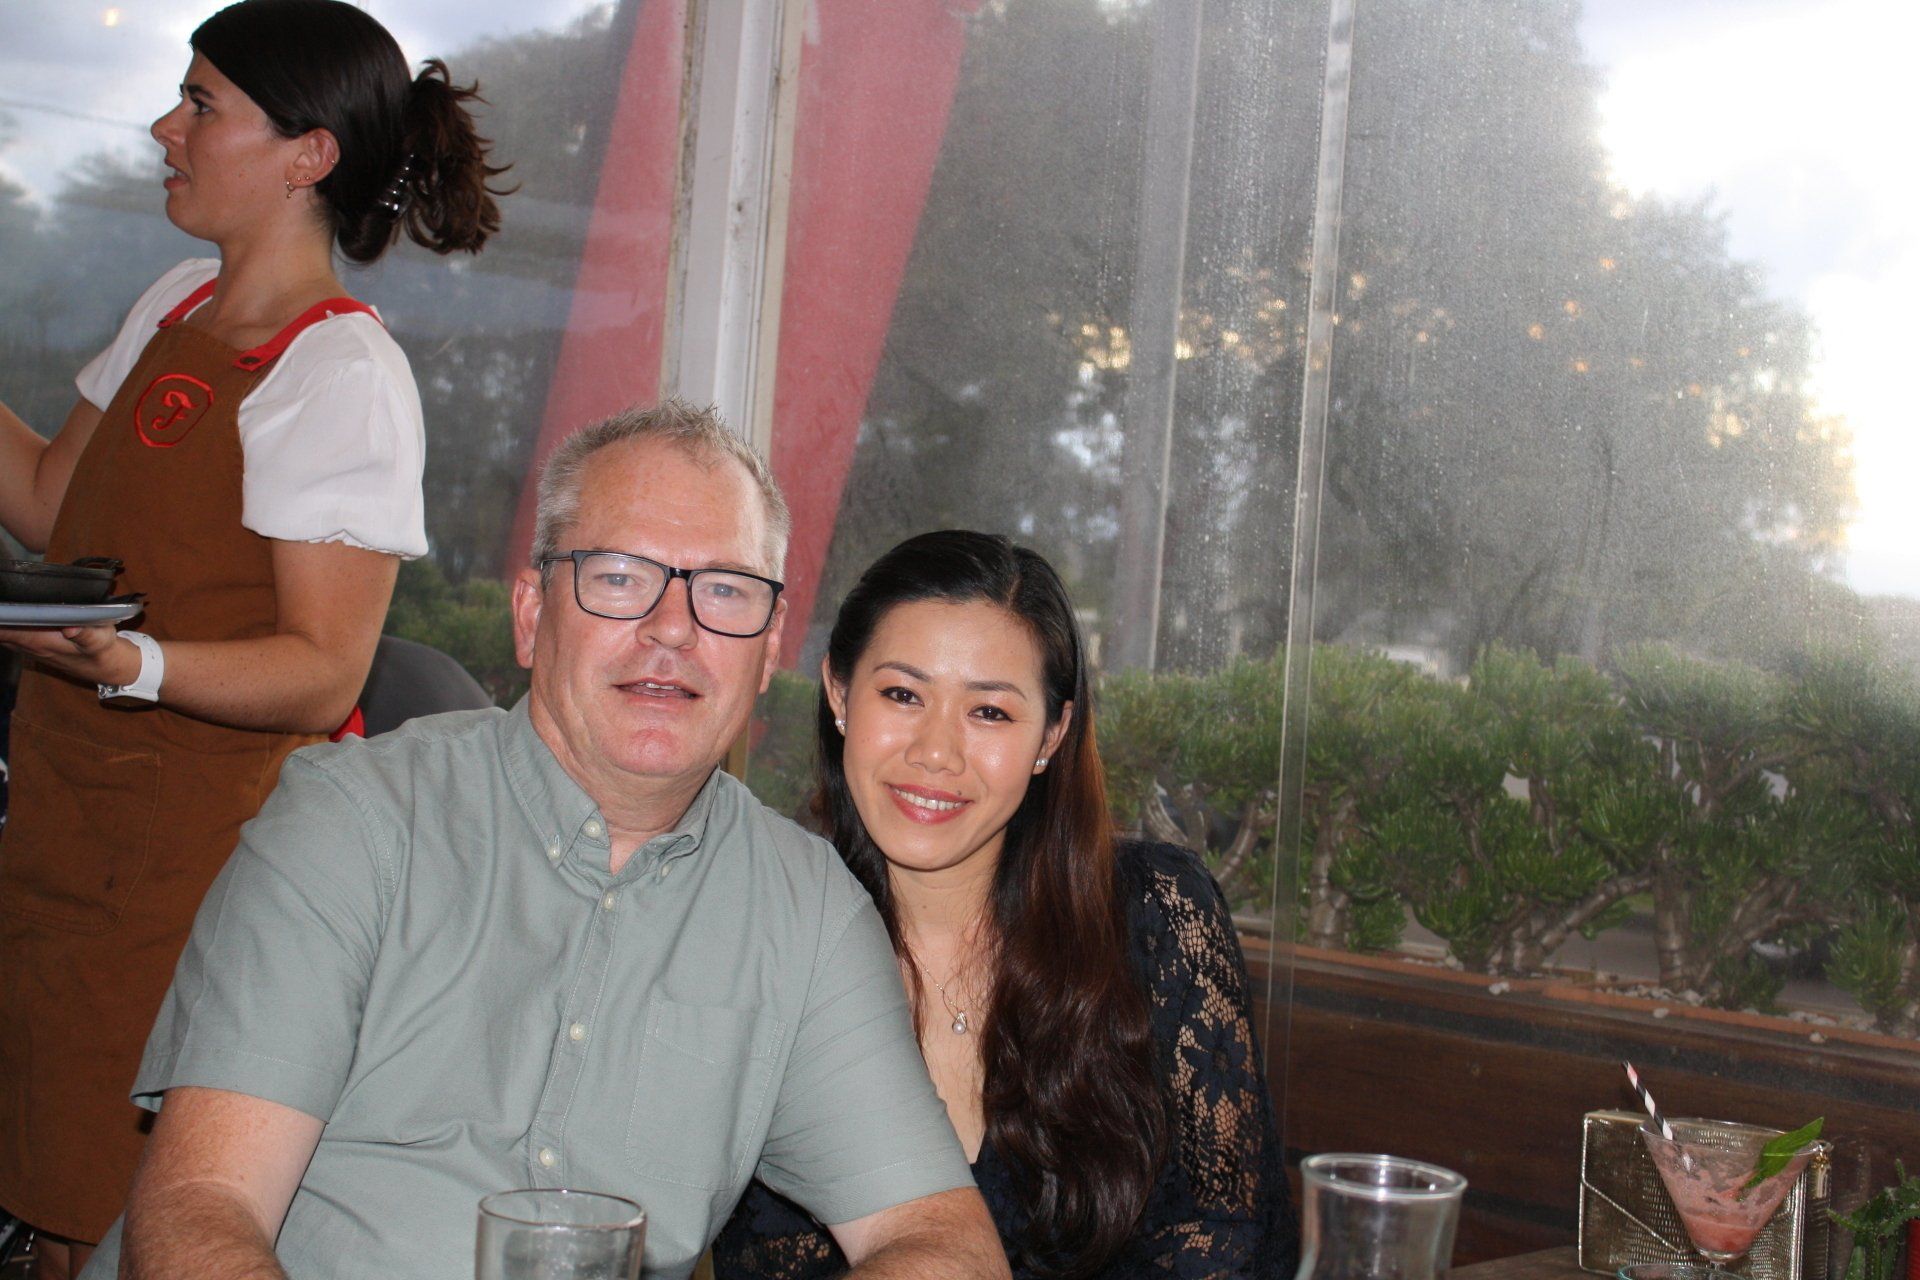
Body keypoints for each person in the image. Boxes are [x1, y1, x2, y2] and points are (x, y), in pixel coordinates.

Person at [78, 402, 1007, 1280]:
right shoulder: (356, 819)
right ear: (530, 614)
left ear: (767, 653)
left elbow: (943, 1242)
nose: (672, 630)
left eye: (724, 591)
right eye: (618, 578)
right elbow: (200, 1208)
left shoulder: (805, 915)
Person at [0, 2, 507, 1272]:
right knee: (49, 1199)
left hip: (199, 880)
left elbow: (323, 671)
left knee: (125, 1217)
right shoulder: (179, 302)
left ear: (307, 155)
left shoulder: (338, 373)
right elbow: (56, 501)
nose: (166, 127)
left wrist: (136, 665)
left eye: (203, 103)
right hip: (75, 826)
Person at [713, 530, 1297, 1280]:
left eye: (989, 712)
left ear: (1051, 733)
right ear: (837, 694)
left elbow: (1232, 1242)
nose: (937, 752)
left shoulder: (1158, 921)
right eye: (902, 694)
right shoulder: (764, 943)